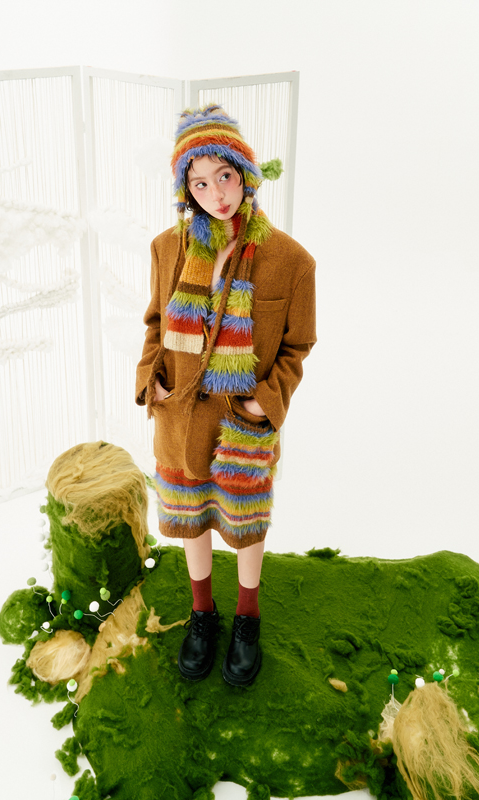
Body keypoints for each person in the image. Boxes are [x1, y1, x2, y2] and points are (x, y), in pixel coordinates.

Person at [135, 105, 316, 686]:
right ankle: (202, 613)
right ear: (186, 190)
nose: (216, 194)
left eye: (225, 176)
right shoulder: (167, 248)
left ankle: (247, 617)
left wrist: (269, 398)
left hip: (242, 422)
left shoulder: (291, 260)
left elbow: (298, 344)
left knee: (245, 524)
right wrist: (151, 378)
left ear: (245, 173)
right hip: (180, 416)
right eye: (199, 183)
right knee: (191, 518)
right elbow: (156, 323)